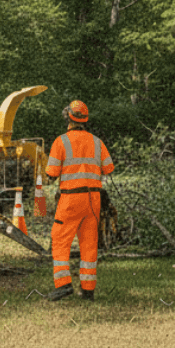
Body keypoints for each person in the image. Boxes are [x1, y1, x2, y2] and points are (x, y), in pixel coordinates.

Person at [45, 99, 114, 302]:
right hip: (93, 199)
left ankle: (63, 285)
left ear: (68, 118)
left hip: (70, 199)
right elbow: (109, 168)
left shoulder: (61, 142)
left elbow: (51, 174)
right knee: (89, 244)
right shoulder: (97, 142)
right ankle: (88, 291)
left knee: (59, 239)